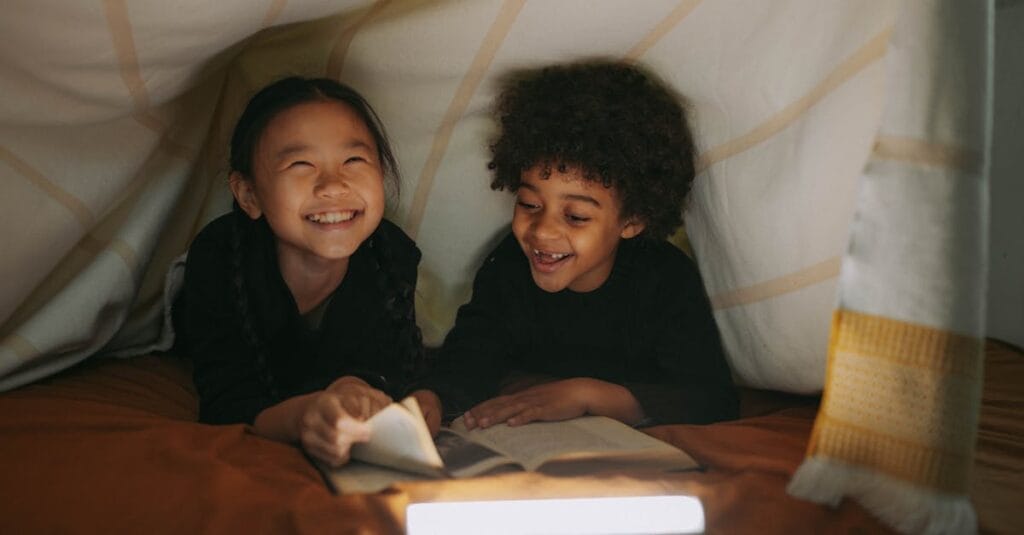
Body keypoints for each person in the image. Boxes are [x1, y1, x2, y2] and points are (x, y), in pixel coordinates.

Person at [429, 59, 738, 430]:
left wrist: (586, 395)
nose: (542, 232)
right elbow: (470, 356)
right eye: (529, 204)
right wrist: (431, 399)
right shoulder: (509, 264)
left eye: (575, 216)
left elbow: (709, 397)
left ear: (633, 220)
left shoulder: (665, 280)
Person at [172, 76, 442, 467]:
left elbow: (387, 363)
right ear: (249, 195)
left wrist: (355, 388)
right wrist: (304, 417)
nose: (333, 185)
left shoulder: (391, 255)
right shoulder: (219, 258)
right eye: (301, 164)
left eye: (353, 161)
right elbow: (228, 401)